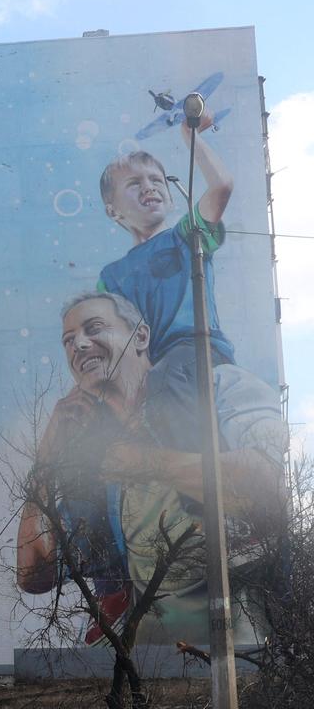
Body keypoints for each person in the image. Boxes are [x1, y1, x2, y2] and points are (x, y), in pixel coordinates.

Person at [18, 292, 285, 645]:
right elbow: (33, 576)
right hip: (145, 654)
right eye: (68, 341)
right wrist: (44, 461)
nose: (79, 345)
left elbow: (269, 489)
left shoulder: (215, 384)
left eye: (94, 328)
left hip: (244, 645)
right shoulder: (87, 459)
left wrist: (144, 463)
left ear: (141, 337)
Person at [96, 113, 235, 448]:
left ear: (171, 196)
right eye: (134, 184)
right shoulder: (111, 277)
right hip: (152, 366)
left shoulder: (185, 237)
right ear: (113, 211)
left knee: (166, 379)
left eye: (156, 180)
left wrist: (192, 138)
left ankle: (206, 484)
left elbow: (221, 187)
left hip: (194, 348)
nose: (149, 187)